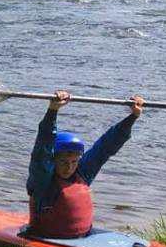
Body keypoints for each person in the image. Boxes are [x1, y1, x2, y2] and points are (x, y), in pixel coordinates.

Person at [26, 90, 144, 239]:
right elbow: (42, 148)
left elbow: (106, 146)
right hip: (47, 238)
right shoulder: (42, 180)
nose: (69, 167)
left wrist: (133, 117)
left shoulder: (83, 173)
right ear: (53, 160)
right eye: (63, 162)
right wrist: (53, 110)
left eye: (74, 161)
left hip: (83, 240)